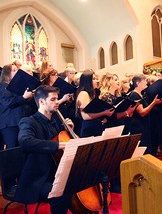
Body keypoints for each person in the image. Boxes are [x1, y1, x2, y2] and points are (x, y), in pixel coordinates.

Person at [15, 85, 73, 213]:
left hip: (55, 174)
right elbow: (25, 142)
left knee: (79, 183)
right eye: (52, 99)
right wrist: (58, 145)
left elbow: (60, 144)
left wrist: (68, 131)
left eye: (57, 99)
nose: (57, 102)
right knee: (60, 194)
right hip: (37, 180)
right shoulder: (28, 121)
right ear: (41, 102)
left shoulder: (56, 123)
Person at [0, 63, 34, 150]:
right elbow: (8, 103)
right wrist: (24, 97)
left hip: (20, 121)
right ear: (7, 73)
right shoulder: (2, 86)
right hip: (10, 123)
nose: (17, 72)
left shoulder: (18, 86)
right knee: (12, 149)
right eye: (14, 70)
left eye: (17, 70)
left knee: (21, 149)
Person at [129, 74, 162, 154]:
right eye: (144, 81)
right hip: (139, 127)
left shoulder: (140, 94)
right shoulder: (135, 94)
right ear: (138, 83)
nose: (146, 83)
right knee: (143, 150)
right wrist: (154, 103)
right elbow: (142, 113)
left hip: (144, 125)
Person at [75, 70, 114, 137]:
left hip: (94, 127)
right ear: (87, 81)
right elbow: (85, 116)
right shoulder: (84, 94)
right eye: (93, 79)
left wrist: (101, 118)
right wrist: (104, 113)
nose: (97, 81)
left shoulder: (92, 94)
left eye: (96, 79)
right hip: (88, 129)